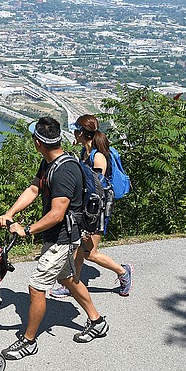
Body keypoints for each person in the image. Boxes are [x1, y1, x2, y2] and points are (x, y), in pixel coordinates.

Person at [0, 116, 108, 360]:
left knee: (36, 288)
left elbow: (57, 214)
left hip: (64, 238)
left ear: (38, 142)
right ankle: (97, 321)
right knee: (68, 278)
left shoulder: (64, 171)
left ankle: (28, 341)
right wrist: (10, 213)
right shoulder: (49, 162)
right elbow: (34, 189)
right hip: (59, 236)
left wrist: (26, 230)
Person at [50, 114, 133, 299]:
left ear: (81, 133)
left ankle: (123, 271)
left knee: (90, 253)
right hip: (89, 208)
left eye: (75, 130)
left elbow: (98, 189)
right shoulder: (85, 152)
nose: (73, 132)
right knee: (79, 248)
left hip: (98, 211)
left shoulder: (98, 157)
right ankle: (73, 283)